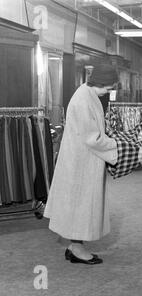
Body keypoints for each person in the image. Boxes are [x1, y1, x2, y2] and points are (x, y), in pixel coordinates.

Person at [44, 64, 120, 265]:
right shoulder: (84, 100)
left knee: (78, 204)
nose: (108, 91)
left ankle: (74, 246)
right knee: (81, 205)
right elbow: (92, 137)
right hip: (81, 162)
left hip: (81, 159)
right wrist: (118, 146)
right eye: (108, 87)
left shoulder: (86, 94)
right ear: (100, 83)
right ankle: (77, 248)